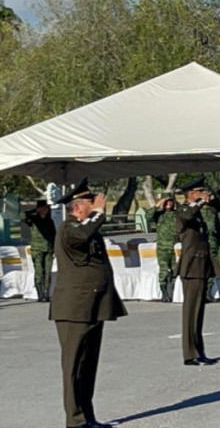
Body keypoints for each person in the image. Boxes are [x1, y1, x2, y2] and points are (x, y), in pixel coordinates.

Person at [49, 178, 126, 428]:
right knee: (73, 366)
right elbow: (81, 236)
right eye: (91, 203)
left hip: (92, 305)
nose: (95, 207)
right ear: (78, 206)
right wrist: (99, 213)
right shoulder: (69, 228)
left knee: (88, 365)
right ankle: (75, 419)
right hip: (74, 308)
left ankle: (87, 416)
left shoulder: (85, 227)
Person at [175, 177, 219, 365]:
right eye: (200, 191)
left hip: (200, 265)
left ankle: (198, 350)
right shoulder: (184, 209)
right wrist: (200, 202)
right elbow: (187, 216)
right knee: (191, 312)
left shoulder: (198, 212)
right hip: (191, 266)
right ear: (192, 194)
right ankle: (190, 353)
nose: (204, 194)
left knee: (198, 312)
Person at [24, 199, 56, 302]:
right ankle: (40, 294)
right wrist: (34, 211)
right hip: (37, 249)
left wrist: (55, 247)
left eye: (46, 208)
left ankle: (46, 293)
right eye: (43, 208)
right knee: (39, 271)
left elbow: (54, 234)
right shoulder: (33, 219)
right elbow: (22, 216)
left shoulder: (49, 220)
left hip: (49, 248)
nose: (45, 210)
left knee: (48, 272)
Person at [148, 195, 179, 302]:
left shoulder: (177, 214)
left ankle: (173, 292)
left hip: (175, 247)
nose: (168, 204)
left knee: (176, 270)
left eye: (170, 202)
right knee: (164, 270)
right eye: (166, 202)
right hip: (162, 247)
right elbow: (148, 216)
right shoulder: (159, 215)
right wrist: (157, 205)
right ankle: (164, 293)